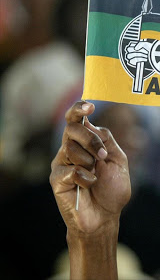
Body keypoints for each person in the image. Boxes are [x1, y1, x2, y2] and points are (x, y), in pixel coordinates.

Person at [50, 101, 130, 279]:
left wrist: (101, 230)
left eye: (133, 128)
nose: (128, 139)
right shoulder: (33, 210)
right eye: (114, 126)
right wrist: (90, 236)